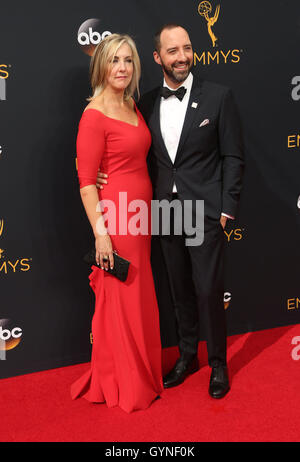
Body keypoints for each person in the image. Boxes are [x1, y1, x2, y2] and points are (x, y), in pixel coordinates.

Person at [97, 24, 244, 399]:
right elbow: (127, 148)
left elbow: (233, 156)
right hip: (163, 209)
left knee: (209, 289)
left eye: (187, 49)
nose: (182, 57)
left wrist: (227, 207)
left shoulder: (219, 96)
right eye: (172, 51)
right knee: (178, 289)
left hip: (203, 208)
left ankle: (218, 364)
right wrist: (104, 172)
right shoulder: (143, 103)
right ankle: (187, 355)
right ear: (158, 58)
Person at [70, 33, 163, 413]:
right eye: (114, 60)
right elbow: (87, 182)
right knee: (121, 296)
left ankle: (142, 370)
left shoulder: (131, 105)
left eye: (127, 60)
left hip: (141, 215)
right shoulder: (93, 115)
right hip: (116, 217)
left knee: (138, 294)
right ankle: (123, 379)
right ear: (101, 66)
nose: (122, 67)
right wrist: (101, 233)